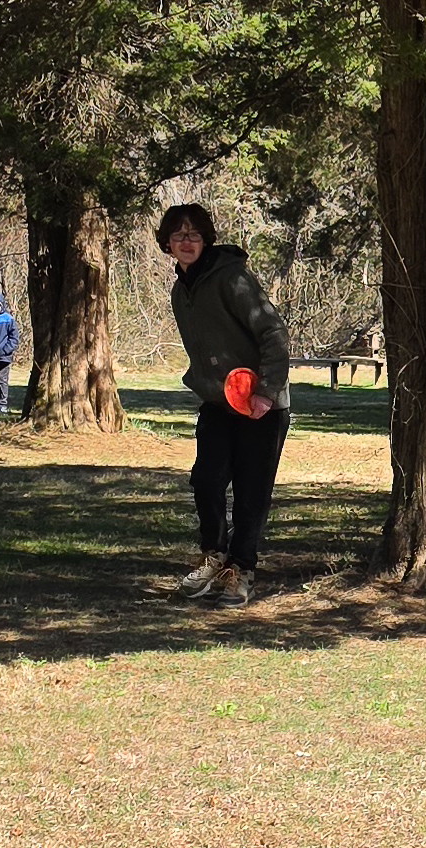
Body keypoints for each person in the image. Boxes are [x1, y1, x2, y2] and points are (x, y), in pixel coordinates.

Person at [157, 203, 291, 608]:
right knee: (206, 480)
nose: (186, 242)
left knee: (252, 492)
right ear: (167, 243)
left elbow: (273, 332)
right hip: (218, 402)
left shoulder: (232, 277)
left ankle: (242, 570)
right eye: (178, 235)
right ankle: (214, 556)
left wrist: (266, 391)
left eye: (194, 234)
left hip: (262, 405)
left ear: (206, 239)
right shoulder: (182, 290)